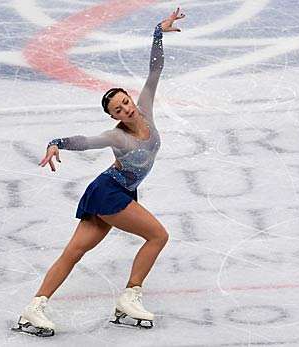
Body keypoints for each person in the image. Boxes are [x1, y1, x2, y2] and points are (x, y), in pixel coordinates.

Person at [13, 8, 186, 337]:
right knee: (158, 235)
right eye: (117, 109)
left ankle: (32, 307)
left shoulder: (146, 109)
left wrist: (158, 32)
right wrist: (56, 143)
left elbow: (155, 70)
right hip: (109, 193)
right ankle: (129, 296)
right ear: (112, 116)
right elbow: (85, 141)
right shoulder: (116, 136)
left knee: (74, 252)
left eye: (125, 102)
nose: (126, 108)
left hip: (114, 191)